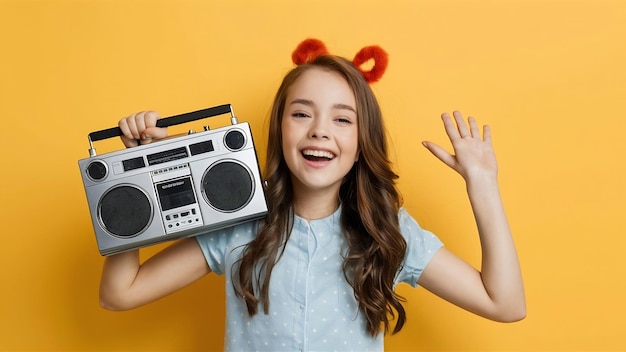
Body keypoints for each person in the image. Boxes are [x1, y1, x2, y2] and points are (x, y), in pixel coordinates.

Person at [100, 47, 526, 351]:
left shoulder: (388, 234)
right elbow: (120, 292)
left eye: (342, 119)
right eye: (302, 113)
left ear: (361, 143)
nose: (320, 130)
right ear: (279, 131)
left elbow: (504, 303)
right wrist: (140, 171)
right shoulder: (237, 225)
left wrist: (483, 184)